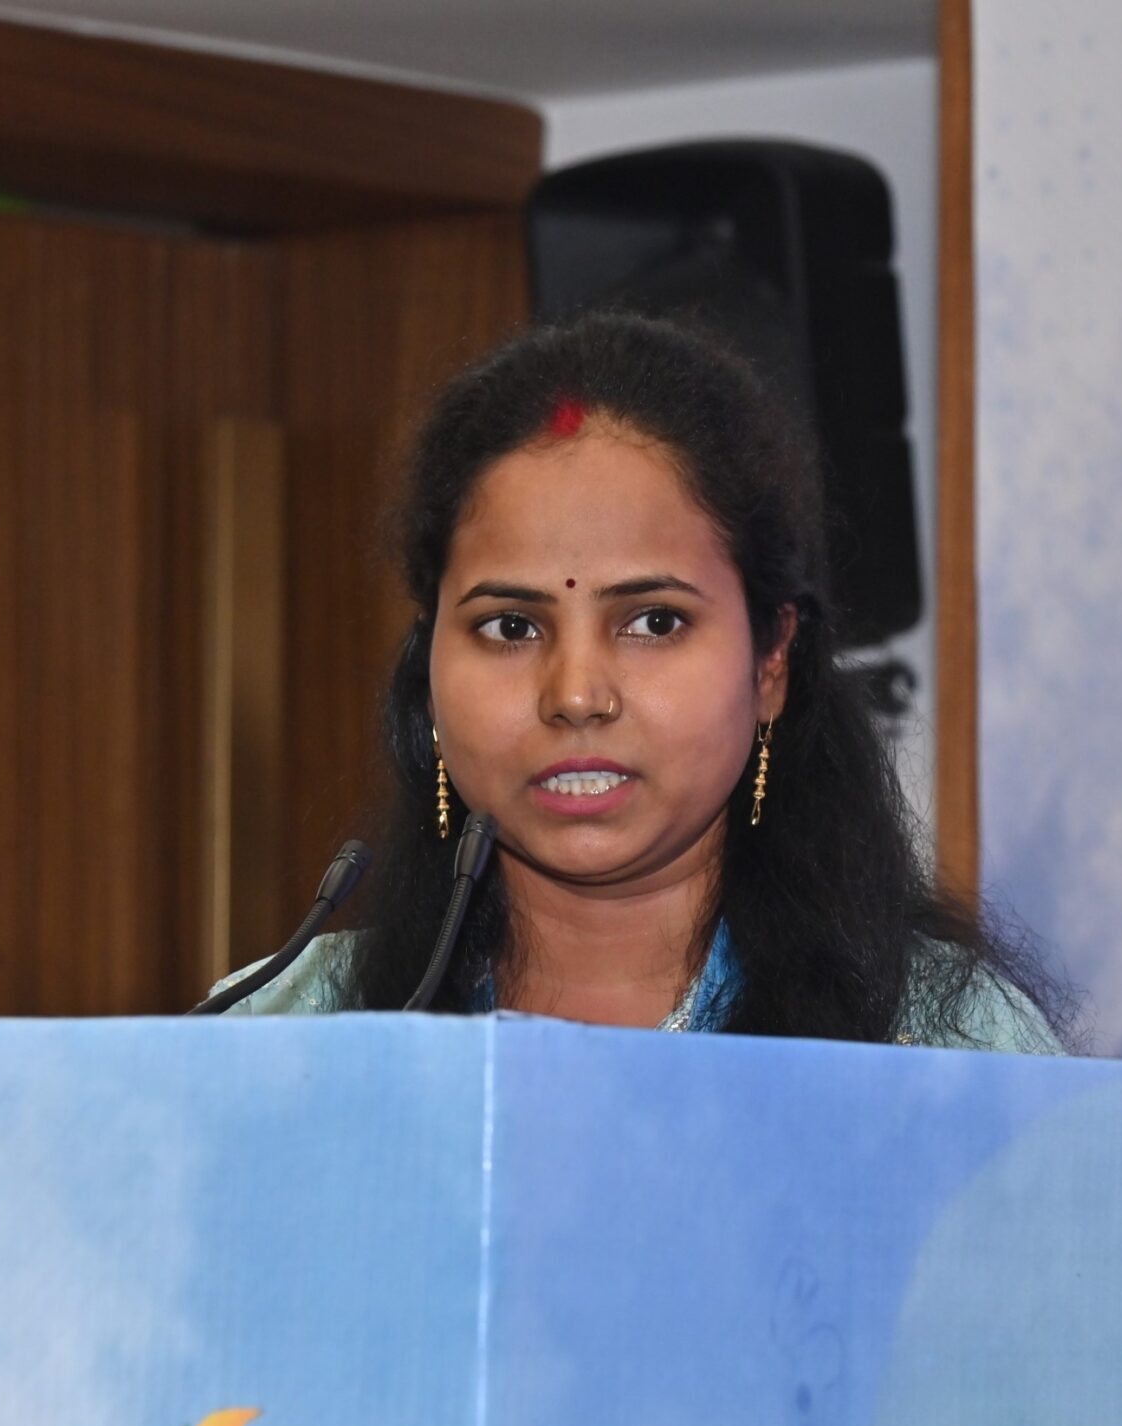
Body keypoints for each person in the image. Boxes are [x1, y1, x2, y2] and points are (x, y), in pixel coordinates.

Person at [215, 311, 1068, 1050]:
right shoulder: (283, 1035)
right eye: (511, 627)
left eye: (654, 622)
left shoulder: (947, 1045)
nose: (576, 695)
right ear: (428, 666)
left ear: (771, 659)